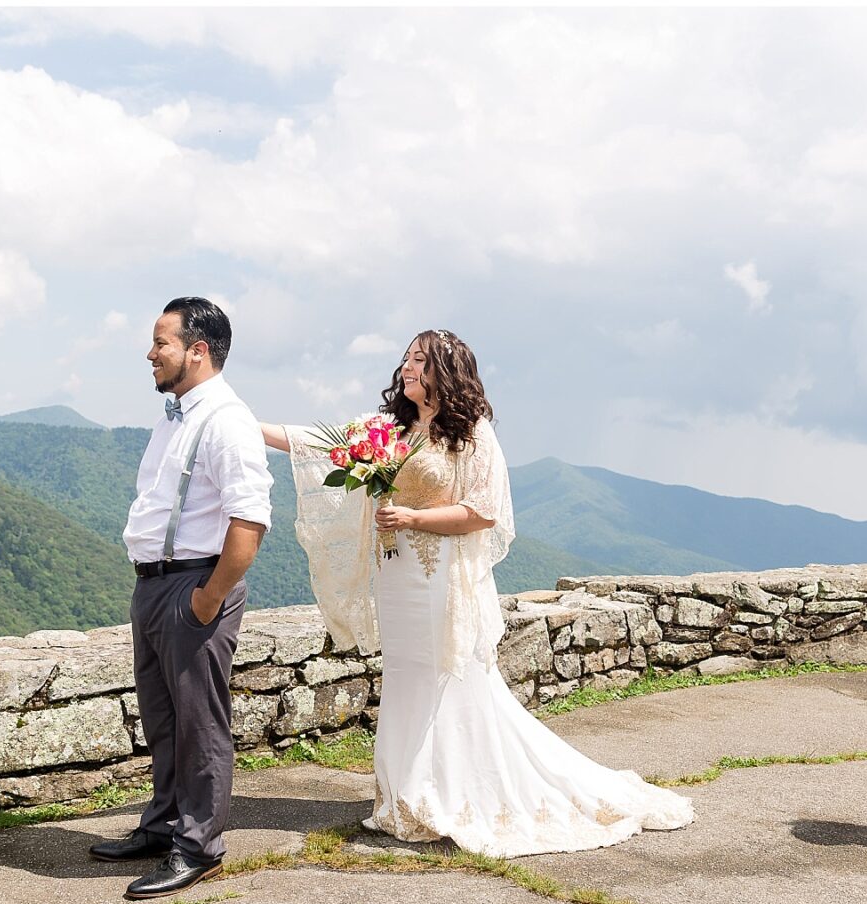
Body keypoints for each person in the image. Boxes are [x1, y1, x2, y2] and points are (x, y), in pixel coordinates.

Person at [261, 329, 692, 858]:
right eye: (407, 359)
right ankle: (405, 796)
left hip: (439, 575)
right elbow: (320, 440)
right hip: (395, 576)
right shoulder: (392, 429)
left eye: (420, 360)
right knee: (406, 676)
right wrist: (249, 426)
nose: (408, 367)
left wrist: (413, 516)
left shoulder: (470, 432)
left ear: (446, 369)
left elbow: (484, 511)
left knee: (447, 677)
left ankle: (455, 795)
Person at [91, 297, 272, 899]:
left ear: (197, 351)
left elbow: (248, 522)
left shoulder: (225, 419)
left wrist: (206, 599)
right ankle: (164, 824)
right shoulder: (177, 414)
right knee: (163, 717)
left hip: (191, 585)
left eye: (161, 342)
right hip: (154, 584)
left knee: (199, 722)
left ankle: (198, 845)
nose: (150, 353)